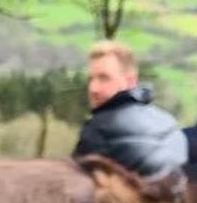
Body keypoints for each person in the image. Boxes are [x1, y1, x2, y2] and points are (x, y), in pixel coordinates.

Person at [73, 41, 187, 179]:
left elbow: (76, 190)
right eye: (91, 79)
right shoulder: (170, 124)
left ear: (130, 81)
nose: (93, 88)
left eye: (104, 78)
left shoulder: (98, 129)